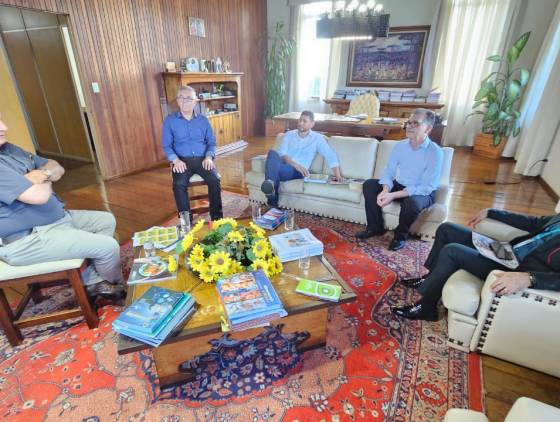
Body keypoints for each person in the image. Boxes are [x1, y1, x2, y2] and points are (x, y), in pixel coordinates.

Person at [0, 118, 124, 300]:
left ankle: (94, 283)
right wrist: (43, 175)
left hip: (55, 220)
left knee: (105, 221)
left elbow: (55, 166)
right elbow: (40, 197)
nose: (5, 127)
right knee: (108, 247)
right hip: (28, 238)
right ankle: (116, 289)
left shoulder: (8, 149)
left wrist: (41, 174)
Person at [392, 208, 560, 321]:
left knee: (452, 251)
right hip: (507, 251)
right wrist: (492, 212)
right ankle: (429, 279)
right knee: (447, 229)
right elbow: (534, 223)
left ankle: (427, 307)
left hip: (515, 270)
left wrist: (529, 278)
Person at [355, 108, 443, 251]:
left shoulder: (435, 152)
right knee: (370, 185)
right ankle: (375, 227)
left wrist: (393, 195)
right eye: (409, 123)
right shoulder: (400, 146)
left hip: (422, 192)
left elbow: (426, 186)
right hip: (400, 185)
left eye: (415, 123)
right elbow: (388, 171)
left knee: (412, 203)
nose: (409, 126)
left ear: (428, 128)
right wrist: (385, 190)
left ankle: (400, 236)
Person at [162, 85, 223, 221]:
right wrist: (175, 160)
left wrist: (209, 157)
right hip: (181, 161)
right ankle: (186, 222)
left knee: (214, 180)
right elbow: (167, 145)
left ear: (195, 101)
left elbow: (211, 142)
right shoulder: (170, 121)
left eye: (189, 98)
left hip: (203, 159)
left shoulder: (203, 120)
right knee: (178, 184)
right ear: (177, 101)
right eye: (181, 98)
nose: (185, 101)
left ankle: (217, 218)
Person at [260, 110, 343, 207]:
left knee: (273, 171)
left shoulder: (317, 139)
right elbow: (282, 154)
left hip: (298, 172)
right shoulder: (289, 135)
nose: (300, 123)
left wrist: (338, 175)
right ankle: (271, 192)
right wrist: (295, 164)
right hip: (285, 166)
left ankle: (270, 193)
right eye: (300, 120)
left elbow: (330, 155)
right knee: (272, 153)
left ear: (312, 124)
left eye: (304, 121)